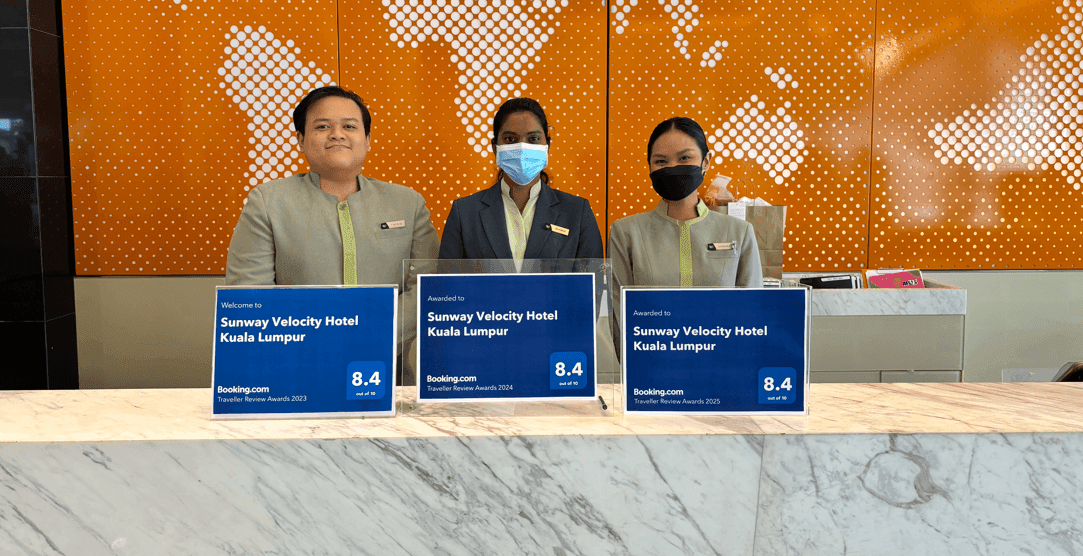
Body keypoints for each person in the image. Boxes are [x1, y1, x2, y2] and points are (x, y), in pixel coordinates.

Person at [225, 86, 439, 379]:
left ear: (367, 140)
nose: (337, 134)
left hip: (388, 372)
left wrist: (373, 336)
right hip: (294, 371)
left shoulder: (407, 203)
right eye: (322, 126)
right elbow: (250, 295)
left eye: (349, 126)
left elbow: (429, 287)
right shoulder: (268, 202)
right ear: (301, 139)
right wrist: (316, 341)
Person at [609, 116, 762, 300]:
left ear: (706, 162)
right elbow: (619, 313)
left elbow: (753, 311)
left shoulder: (740, 232)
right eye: (661, 161)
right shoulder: (626, 232)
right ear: (649, 166)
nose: (673, 167)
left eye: (685, 158)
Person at [438, 97, 603, 266]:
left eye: (533, 139)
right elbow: (447, 286)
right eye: (510, 139)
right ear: (495, 147)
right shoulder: (465, 214)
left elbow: (594, 286)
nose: (522, 147)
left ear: (547, 146)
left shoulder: (576, 213)